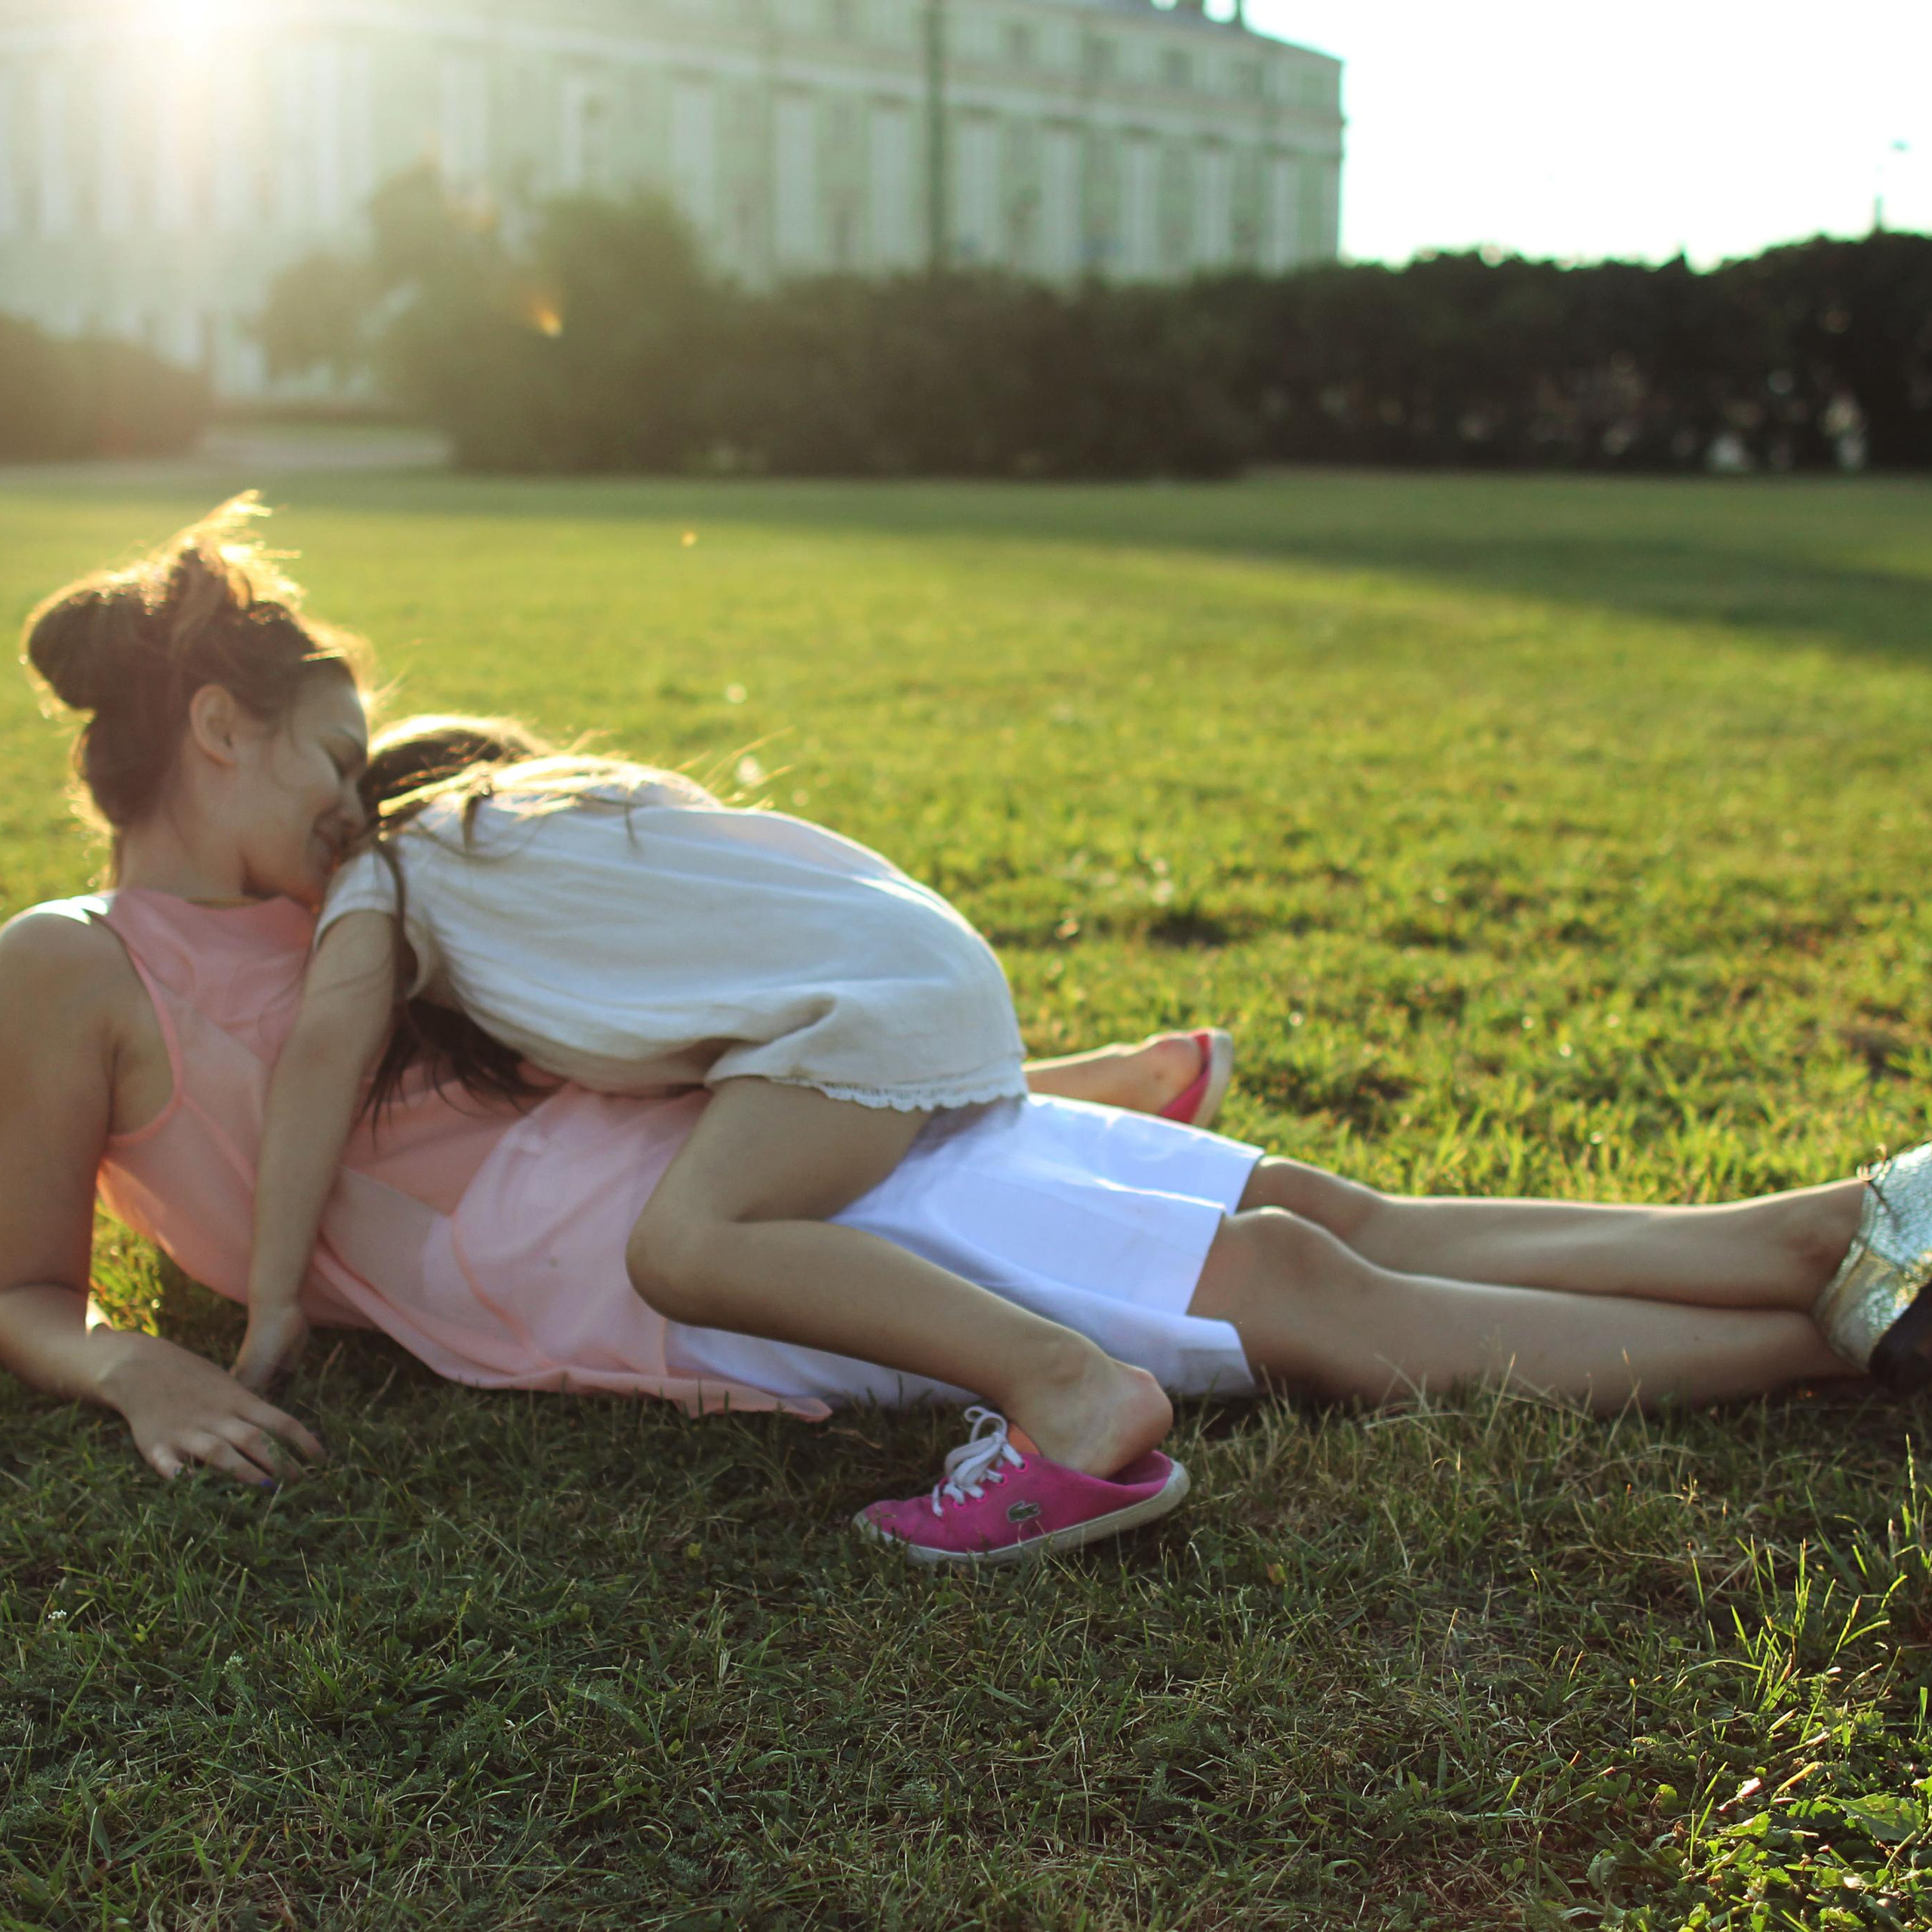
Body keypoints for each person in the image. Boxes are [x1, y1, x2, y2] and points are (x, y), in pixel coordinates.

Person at [0, 502, 1924, 1567]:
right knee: (1289, 1278)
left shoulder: (353, 875)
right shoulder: (70, 962)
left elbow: (623, 975)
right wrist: (135, 1375)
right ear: (216, 729)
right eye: (326, 758)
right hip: (627, 1253)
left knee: (1314, 1214)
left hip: (769, 1122)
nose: (351, 796)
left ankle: (1825, 1229)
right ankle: (1838, 1308)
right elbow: (17, 1283)